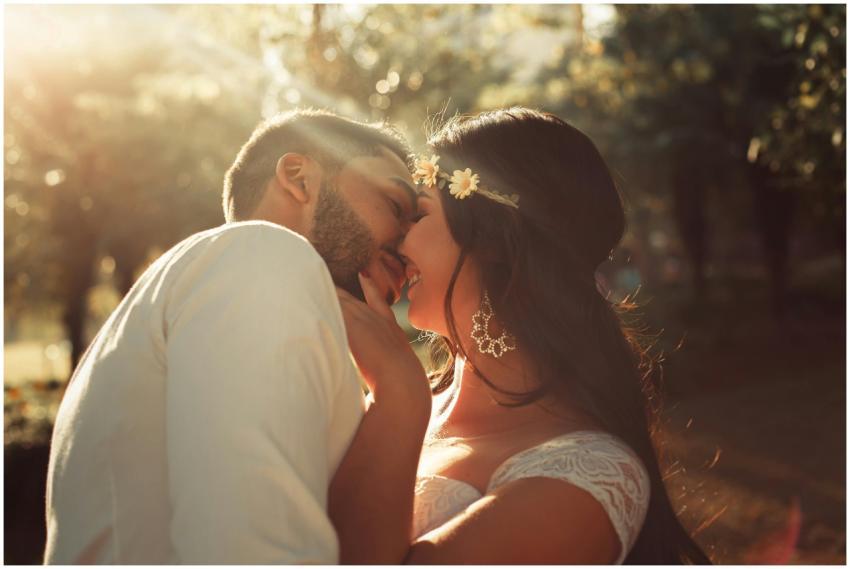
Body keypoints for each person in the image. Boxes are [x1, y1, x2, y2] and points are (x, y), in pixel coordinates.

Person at [330, 107, 713, 564]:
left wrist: (396, 392)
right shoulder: (395, 400)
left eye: (419, 215)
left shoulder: (590, 473)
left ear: (494, 238)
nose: (396, 239)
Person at [43, 109, 418, 564]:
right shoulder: (262, 254)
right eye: (396, 207)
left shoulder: (219, 282)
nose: (411, 246)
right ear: (299, 178)